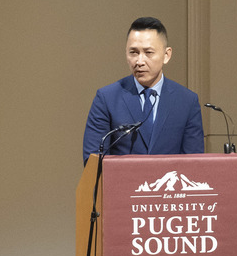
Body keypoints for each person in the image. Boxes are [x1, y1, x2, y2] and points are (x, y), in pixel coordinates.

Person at [81, 16, 205, 163]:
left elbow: (194, 163)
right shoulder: (107, 98)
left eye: (148, 53)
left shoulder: (187, 101)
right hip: (122, 184)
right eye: (133, 52)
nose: (139, 61)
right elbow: (93, 161)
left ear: (167, 55)